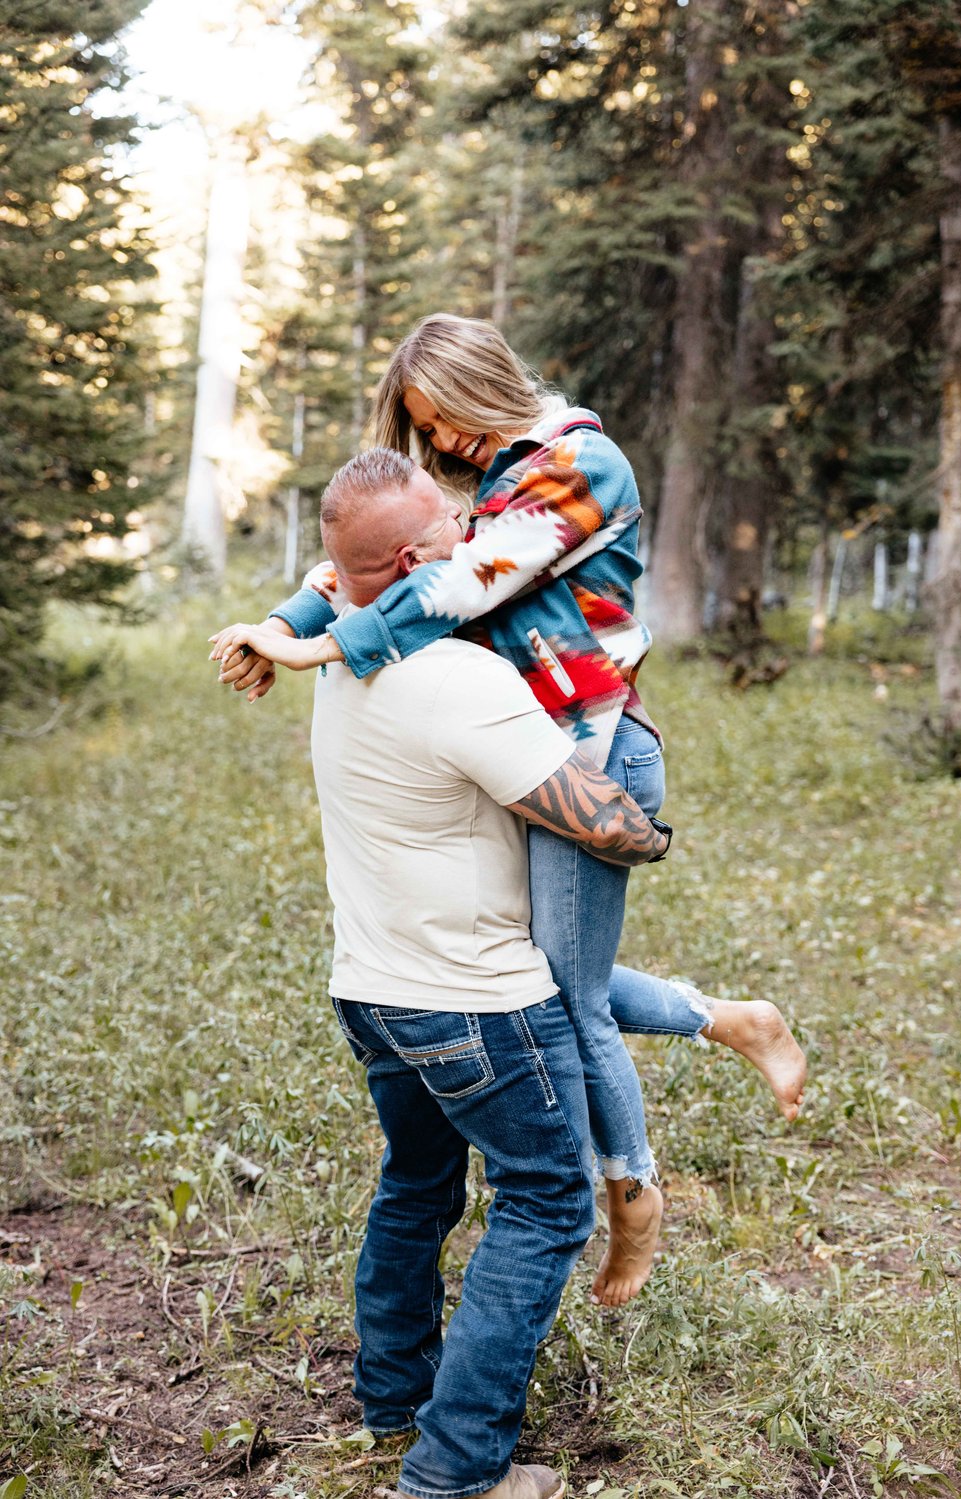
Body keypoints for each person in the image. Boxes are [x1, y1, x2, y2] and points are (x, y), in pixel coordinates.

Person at [212, 313, 807, 1307]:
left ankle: (633, 1196)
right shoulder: (483, 484)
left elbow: (459, 580)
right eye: (425, 428)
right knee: (539, 978)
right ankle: (731, 1018)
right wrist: (279, 622)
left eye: (445, 419)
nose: (441, 444)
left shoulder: (581, 466)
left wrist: (332, 644)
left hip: (593, 759)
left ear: (487, 385)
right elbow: (371, 557)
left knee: (563, 1001)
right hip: (525, 760)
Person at [224, 448, 673, 1499]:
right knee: (546, 1202)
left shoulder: (338, 649)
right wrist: (647, 823)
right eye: (453, 531)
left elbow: (327, 599)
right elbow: (594, 819)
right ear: (415, 558)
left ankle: (393, 1394)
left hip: (371, 984)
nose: (476, 540)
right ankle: (456, 1466)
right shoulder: (460, 680)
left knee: (419, 1181)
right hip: (474, 1001)